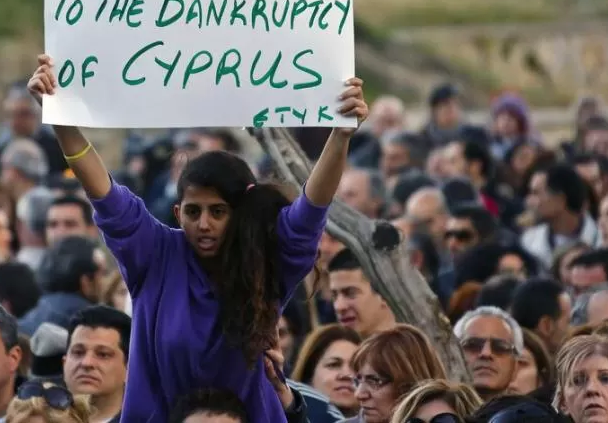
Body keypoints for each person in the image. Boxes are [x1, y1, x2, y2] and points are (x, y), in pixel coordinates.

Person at [27, 54, 369, 421]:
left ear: (239, 215)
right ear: (178, 213)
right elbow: (103, 191)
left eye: (218, 212)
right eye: (193, 212)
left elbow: (312, 208)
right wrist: (61, 120)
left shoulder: (266, 260)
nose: (204, 224)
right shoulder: (154, 254)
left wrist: (340, 134)